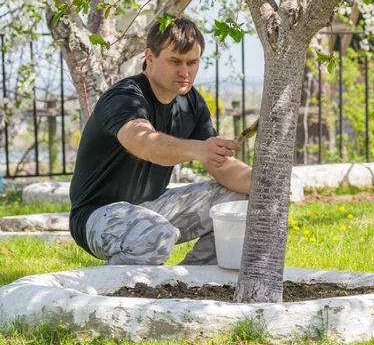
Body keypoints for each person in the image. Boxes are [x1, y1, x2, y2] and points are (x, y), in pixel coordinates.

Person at [69, 16, 252, 265]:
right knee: (155, 233)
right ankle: (116, 294)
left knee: (241, 203)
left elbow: (220, 164)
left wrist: (268, 187)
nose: (184, 72)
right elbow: (143, 143)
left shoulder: (192, 102)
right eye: (175, 61)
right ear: (150, 57)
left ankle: (193, 284)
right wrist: (197, 149)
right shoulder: (124, 97)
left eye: (192, 62)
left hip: (153, 206)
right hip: (97, 216)